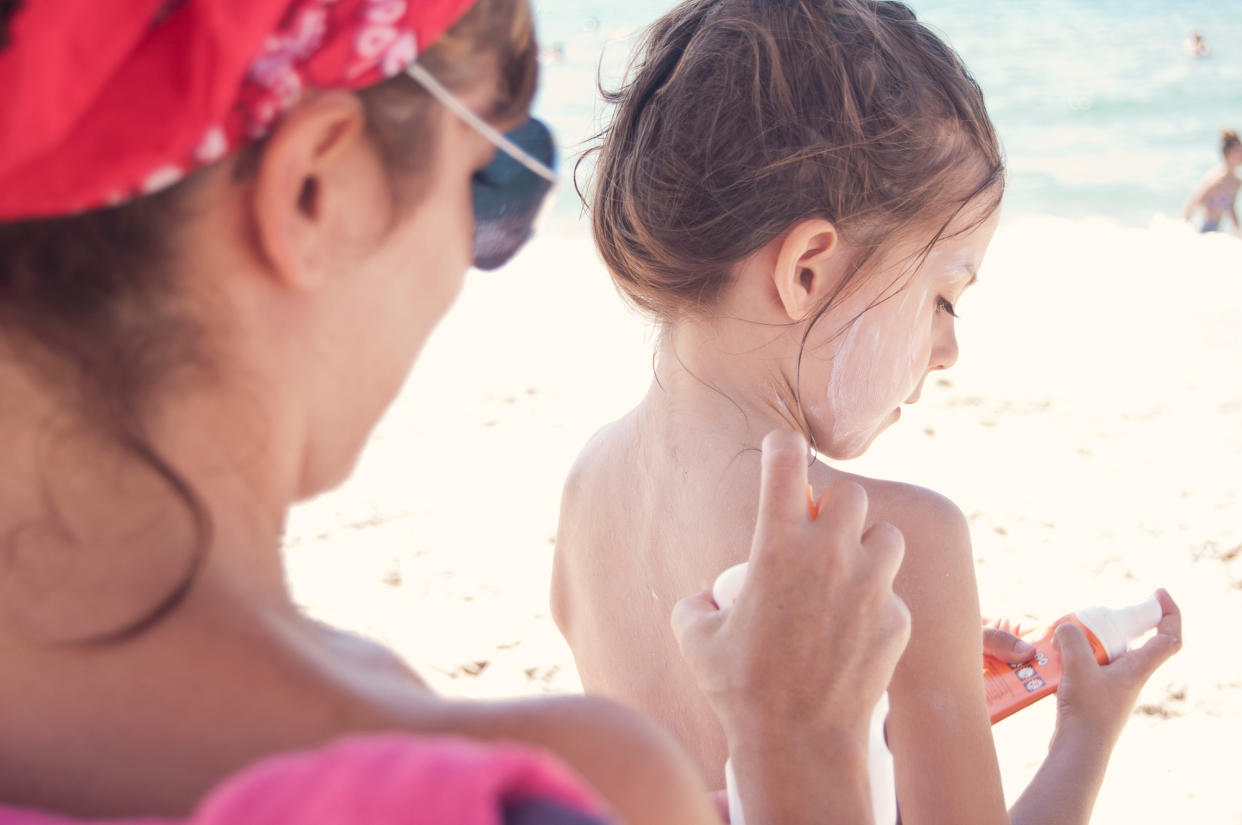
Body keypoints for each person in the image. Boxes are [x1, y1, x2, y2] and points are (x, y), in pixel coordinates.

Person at [0, 1, 912, 823]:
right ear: (320, 192)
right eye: (495, 182)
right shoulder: (526, 786)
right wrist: (803, 755)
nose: (473, 258)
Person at [551, 2, 1184, 824]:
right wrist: (1084, 732)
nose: (949, 347)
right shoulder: (894, 544)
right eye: (944, 295)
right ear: (808, 271)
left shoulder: (586, 491)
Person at [1183, 129, 1242, 233]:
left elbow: (1231, 208)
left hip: (1218, 230)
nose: (1241, 155)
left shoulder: (1237, 182)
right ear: (1226, 154)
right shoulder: (1215, 179)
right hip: (1202, 229)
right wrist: (1186, 230)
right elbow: (1191, 205)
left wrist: (1238, 229)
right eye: (1238, 151)